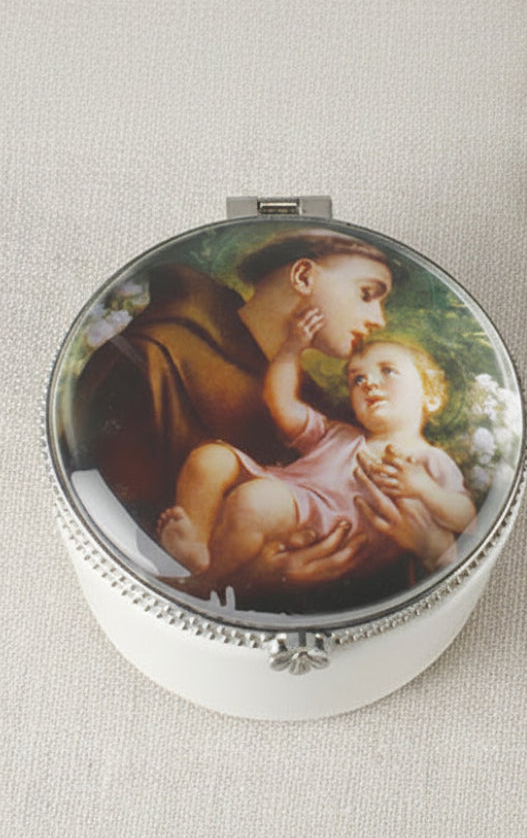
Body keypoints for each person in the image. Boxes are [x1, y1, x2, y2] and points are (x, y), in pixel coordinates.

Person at [71, 229, 442, 594]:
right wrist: (253, 577)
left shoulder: (325, 407)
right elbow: (123, 526)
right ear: (303, 276)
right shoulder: (153, 358)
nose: (379, 318)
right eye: (367, 294)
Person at [157, 312, 474, 590]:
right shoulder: (338, 434)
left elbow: (465, 516)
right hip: (279, 488)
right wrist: (292, 348)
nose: (369, 383)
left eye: (388, 371)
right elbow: (280, 402)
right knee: (210, 458)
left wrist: (425, 490)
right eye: (357, 379)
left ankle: (206, 579)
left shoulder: (428, 461)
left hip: (314, 521)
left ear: (430, 395)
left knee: (254, 501)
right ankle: (195, 543)